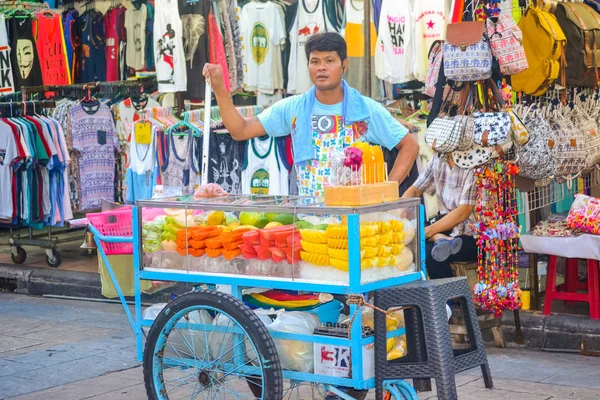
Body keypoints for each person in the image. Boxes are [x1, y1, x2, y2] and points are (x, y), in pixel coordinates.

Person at [201, 32, 419, 197]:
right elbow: (240, 130)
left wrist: (385, 193)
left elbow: (410, 145)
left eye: (329, 61)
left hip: (355, 219)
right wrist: (220, 88)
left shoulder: (365, 110)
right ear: (308, 66)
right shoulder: (293, 108)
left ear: (344, 65)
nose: (321, 67)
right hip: (310, 220)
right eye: (315, 61)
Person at [402, 153, 478, 279]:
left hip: (472, 234)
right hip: (445, 227)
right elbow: (415, 190)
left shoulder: (473, 163)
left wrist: (426, 232)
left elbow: (464, 211)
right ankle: (439, 237)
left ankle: (451, 297)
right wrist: (398, 211)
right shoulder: (437, 159)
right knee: (416, 229)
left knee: (430, 254)